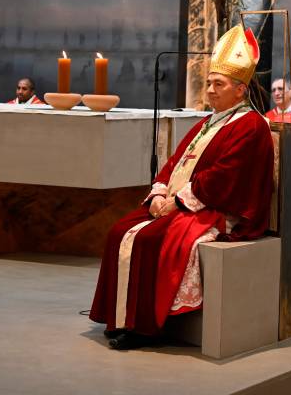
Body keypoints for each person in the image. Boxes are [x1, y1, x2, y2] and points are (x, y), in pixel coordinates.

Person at [89, 25, 274, 350]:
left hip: (218, 209)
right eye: (209, 83)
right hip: (183, 202)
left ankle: (144, 328)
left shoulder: (251, 125)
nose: (211, 90)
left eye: (219, 84)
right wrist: (160, 192)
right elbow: (176, 161)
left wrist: (177, 202)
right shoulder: (209, 121)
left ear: (240, 90)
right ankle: (118, 317)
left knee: (150, 240)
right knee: (119, 231)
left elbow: (225, 177)